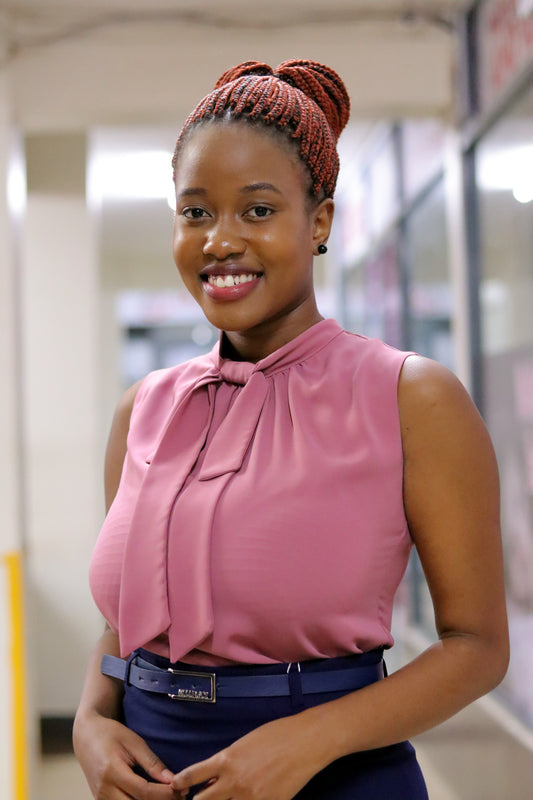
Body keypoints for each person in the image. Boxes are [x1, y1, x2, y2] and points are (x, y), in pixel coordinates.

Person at [73, 60, 509, 800]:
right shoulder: (143, 408)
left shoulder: (409, 396)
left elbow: (476, 648)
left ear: (319, 222)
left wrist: (309, 741)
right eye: (195, 212)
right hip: (152, 777)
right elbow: (126, 621)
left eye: (258, 210)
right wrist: (89, 721)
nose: (219, 240)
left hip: (333, 777)